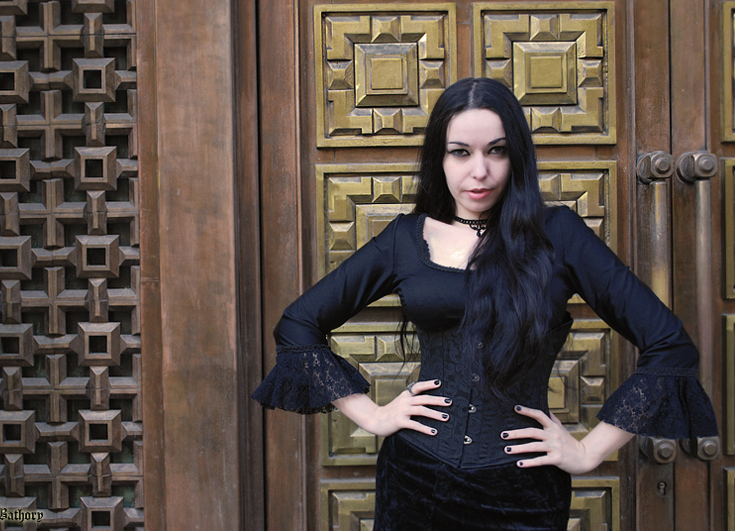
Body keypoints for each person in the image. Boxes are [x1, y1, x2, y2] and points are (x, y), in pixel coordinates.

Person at [252, 77, 718, 530]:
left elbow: (670, 346)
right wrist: (373, 415)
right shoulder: (405, 239)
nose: (479, 171)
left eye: (496, 151)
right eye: (461, 152)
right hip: (415, 479)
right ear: (439, 158)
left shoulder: (558, 235)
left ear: (516, 156)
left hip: (524, 490)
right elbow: (298, 324)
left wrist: (589, 450)